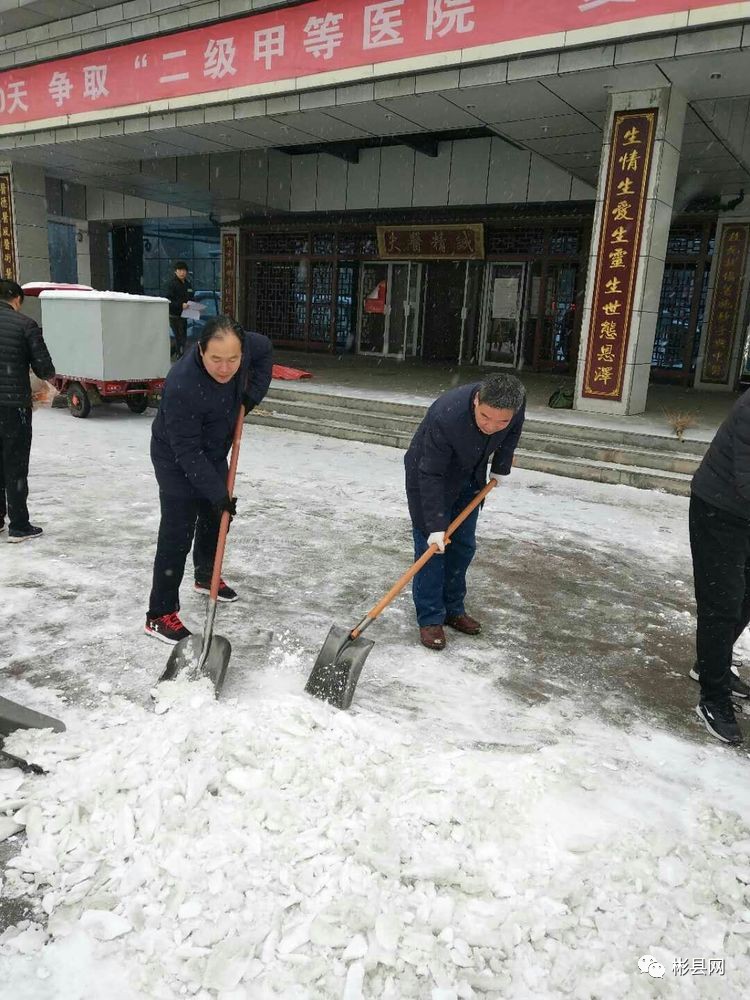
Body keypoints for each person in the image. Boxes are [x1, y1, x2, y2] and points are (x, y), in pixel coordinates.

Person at [145, 315, 273, 644]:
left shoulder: (248, 349)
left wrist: (251, 396)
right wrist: (218, 492)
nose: (225, 367)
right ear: (201, 350)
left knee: (218, 518)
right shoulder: (182, 384)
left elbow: (265, 350)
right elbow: (186, 452)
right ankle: (159, 614)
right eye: (216, 359)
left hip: (214, 450)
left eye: (233, 359)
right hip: (175, 458)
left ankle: (206, 575)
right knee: (178, 530)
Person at [405, 372, 526, 650]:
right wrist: (435, 525)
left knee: (463, 546)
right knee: (432, 550)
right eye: (485, 417)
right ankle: (430, 617)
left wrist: (500, 466)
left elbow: (513, 431)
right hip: (430, 476)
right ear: (475, 401)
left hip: (471, 474)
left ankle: (452, 609)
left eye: (501, 421)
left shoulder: (514, 402)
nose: (492, 427)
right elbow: (430, 472)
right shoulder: (445, 417)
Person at [690, 390, 750, 745]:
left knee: (746, 597)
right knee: (721, 603)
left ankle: (710, 665)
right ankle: (713, 700)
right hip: (718, 509)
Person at [0, 279, 55, 542]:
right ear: (17, 300)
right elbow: (45, 369)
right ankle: (19, 525)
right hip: (13, 408)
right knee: (15, 464)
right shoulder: (25, 325)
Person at [164, 260, 193, 360]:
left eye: (184, 270)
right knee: (178, 338)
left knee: (183, 338)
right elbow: (168, 301)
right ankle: (177, 356)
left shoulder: (188, 284)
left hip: (184, 316)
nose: (182, 272)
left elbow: (191, 297)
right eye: (180, 270)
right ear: (175, 272)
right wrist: (180, 305)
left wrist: (193, 305)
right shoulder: (172, 284)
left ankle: (175, 355)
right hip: (174, 316)